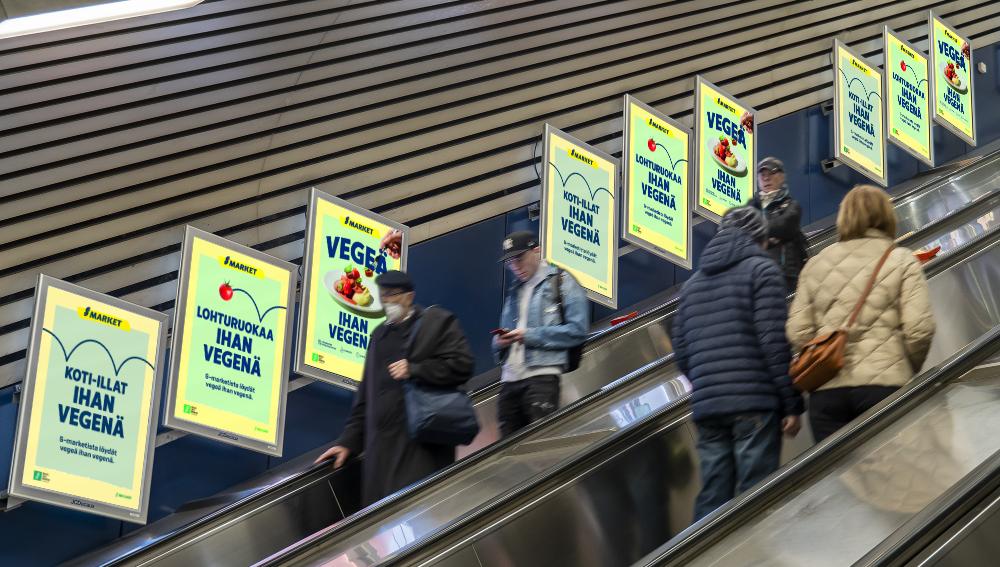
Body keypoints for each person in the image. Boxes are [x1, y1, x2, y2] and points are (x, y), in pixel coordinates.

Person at [671, 206, 804, 522]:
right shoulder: (762, 271)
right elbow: (773, 343)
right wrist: (791, 405)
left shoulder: (691, 286)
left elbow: (682, 351)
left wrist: (708, 381)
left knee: (713, 499)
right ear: (759, 239)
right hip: (754, 404)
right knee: (755, 500)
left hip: (709, 407)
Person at [787, 185, 935, 443]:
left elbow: (797, 331)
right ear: (886, 216)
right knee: (889, 476)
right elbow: (919, 330)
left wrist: (826, 348)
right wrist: (903, 366)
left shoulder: (815, 264)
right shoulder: (901, 260)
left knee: (835, 479)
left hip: (827, 394)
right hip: (884, 389)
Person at [314, 270, 475, 506]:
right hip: (381, 454)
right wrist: (348, 441)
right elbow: (364, 398)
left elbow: (463, 365)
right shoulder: (379, 336)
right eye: (383, 295)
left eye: (393, 295)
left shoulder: (437, 323)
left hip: (422, 448)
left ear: (409, 296)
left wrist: (415, 369)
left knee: (417, 514)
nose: (387, 301)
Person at [493, 231, 589, 438]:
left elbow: (578, 330)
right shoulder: (514, 290)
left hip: (541, 377)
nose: (515, 267)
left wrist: (529, 335)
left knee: (537, 448)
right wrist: (499, 342)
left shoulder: (562, 282)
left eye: (519, 259)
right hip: (509, 380)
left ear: (537, 250)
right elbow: (503, 331)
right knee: (505, 456)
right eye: (510, 262)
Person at [751, 157, 809, 291]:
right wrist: (771, 235)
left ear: (782, 177)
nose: (766, 178)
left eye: (771, 173)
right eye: (763, 174)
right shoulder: (751, 207)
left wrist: (757, 231)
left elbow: (785, 226)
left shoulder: (792, 205)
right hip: (755, 274)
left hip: (785, 275)